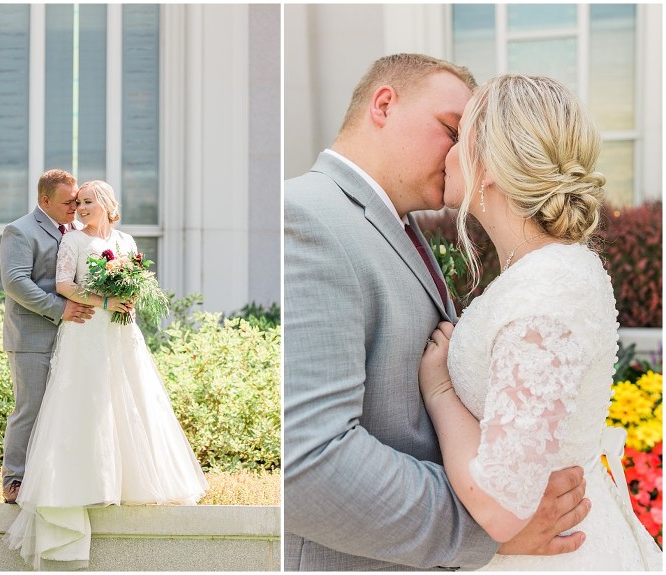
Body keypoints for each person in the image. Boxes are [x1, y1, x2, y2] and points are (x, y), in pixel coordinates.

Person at [284, 54, 592, 571]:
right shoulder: (308, 217)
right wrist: (487, 528)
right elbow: (309, 461)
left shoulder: (399, 225)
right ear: (384, 104)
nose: (459, 155)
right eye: (451, 130)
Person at [418, 74, 662, 571]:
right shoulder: (547, 271)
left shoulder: (547, 290)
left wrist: (440, 390)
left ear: (487, 164)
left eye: (459, 137)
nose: (446, 151)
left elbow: (502, 506)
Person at [4, 180, 208, 569]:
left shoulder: (127, 241)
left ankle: (132, 481)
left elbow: (139, 280)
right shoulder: (74, 241)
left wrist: (130, 297)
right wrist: (105, 300)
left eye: (86, 201)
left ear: (107, 204)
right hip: (84, 331)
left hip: (121, 331)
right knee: (82, 403)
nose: (79, 207)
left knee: (130, 399)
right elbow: (64, 285)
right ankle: (66, 481)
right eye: (76, 201)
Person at [1, 169, 95, 504]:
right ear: (45, 200)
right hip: (31, 339)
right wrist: (60, 308)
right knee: (30, 408)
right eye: (68, 202)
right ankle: (15, 481)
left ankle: (54, 480)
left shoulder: (76, 230)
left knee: (64, 410)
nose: (75, 207)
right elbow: (15, 282)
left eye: (76, 201)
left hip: (72, 341)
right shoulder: (20, 230)